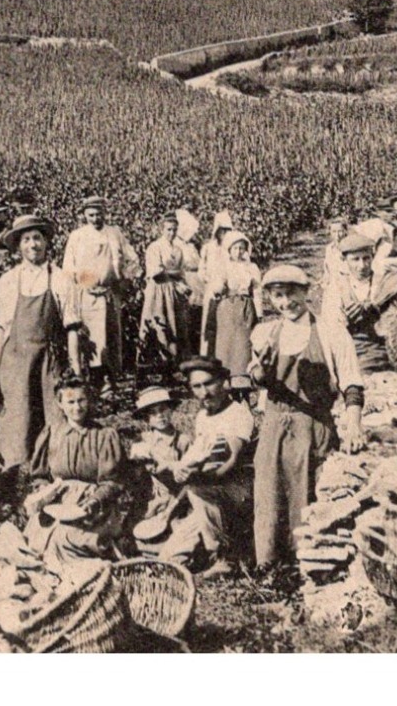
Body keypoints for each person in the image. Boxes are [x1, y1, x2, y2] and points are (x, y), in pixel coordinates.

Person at [248, 265, 365, 576]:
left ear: (306, 292)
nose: (286, 302)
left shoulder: (329, 332)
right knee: (269, 493)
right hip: (274, 424)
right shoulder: (266, 333)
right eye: (278, 296)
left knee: (311, 493)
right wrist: (259, 373)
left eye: (292, 294)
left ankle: (311, 565)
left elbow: (352, 382)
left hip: (313, 424)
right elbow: (258, 380)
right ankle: (270, 565)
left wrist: (354, 424)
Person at [135, 358, 254, 575]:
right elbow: (198, 458)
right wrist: (182, 469)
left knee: (198, 491)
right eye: (197, 386)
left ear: (224, 382)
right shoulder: (202, 417)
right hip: (208, 493)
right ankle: (198, 557)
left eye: (209, 384)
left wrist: (196, 477)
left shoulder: (237, 413)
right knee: (168, 559)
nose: (204, 392)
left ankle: (226, 559)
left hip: (236, 490)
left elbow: (231, 462)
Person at [0, 214, 84, 474]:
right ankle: (14, 476)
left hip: (48, 361)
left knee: (55, 416)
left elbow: (72, 327)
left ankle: (55, 470)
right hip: (15, 360)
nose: (33, 245)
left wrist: (75, 368)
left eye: (37, 238)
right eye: (27, 240)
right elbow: (2, 330)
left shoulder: (60, 278)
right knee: (18, 418)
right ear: (19, 246)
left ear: (46, 242)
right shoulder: (9, 280)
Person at [24, 376, 131, 565]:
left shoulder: (103, 435)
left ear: (89, 400)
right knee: (38, 538)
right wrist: (44, 492)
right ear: (60, 404)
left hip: (93, 505)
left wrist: (94, 501)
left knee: (66, 538)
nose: (77, 407)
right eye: (71, 402)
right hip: (57, 501)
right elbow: (40, 476)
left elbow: (113, 481)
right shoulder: (52, 433)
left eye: (81, 400)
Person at [61, 196, 142, 383]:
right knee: (91, 336)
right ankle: (94, 378)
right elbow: (68, 267)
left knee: (111, 334)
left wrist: (125, 278)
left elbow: (132, 258)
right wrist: (83, 283)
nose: (95, 219)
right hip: (87, 294)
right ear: (84, 215)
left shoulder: (114, 233)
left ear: (104, 213)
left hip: (110, 293)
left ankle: (111, 377)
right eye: (91, 215)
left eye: (99, 214)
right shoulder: (77, 236)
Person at [321, 233, 394, 373]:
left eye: (366, 258)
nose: (362, 265)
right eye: (355, 259)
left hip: (385, 346)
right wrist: (347, 320)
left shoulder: (383, 282)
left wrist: (376, 310)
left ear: (373, 257)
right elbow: (332, 327)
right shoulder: (337, 288)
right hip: (352, 350)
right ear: (344, 260)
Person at [201, 230, 259, 375]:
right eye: (235, 248)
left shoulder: (251, 268)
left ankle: (242, 372)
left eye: (241, 248)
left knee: (244, 339)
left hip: (245, 305)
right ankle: (225, 371)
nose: (238, 252)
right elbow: (217, 287)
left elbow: (257, 290)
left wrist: (259, 311)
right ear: (229, 250)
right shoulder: (223, 266)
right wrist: (219, 287)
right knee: (227, 340)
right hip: (227, 305)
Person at [141, 212, 194, 368]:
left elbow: (181, 272)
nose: (171, 233)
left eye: (174, 230)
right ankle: (156, 362)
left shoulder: (178, 250)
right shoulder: (154, 247)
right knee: (159, 323)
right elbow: (156, 272)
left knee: (175, 325)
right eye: (168, 229)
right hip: (158, 290)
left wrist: (183, 284)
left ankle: (174, 363)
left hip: (174, 291)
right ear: (162, 230)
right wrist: (174, 273)